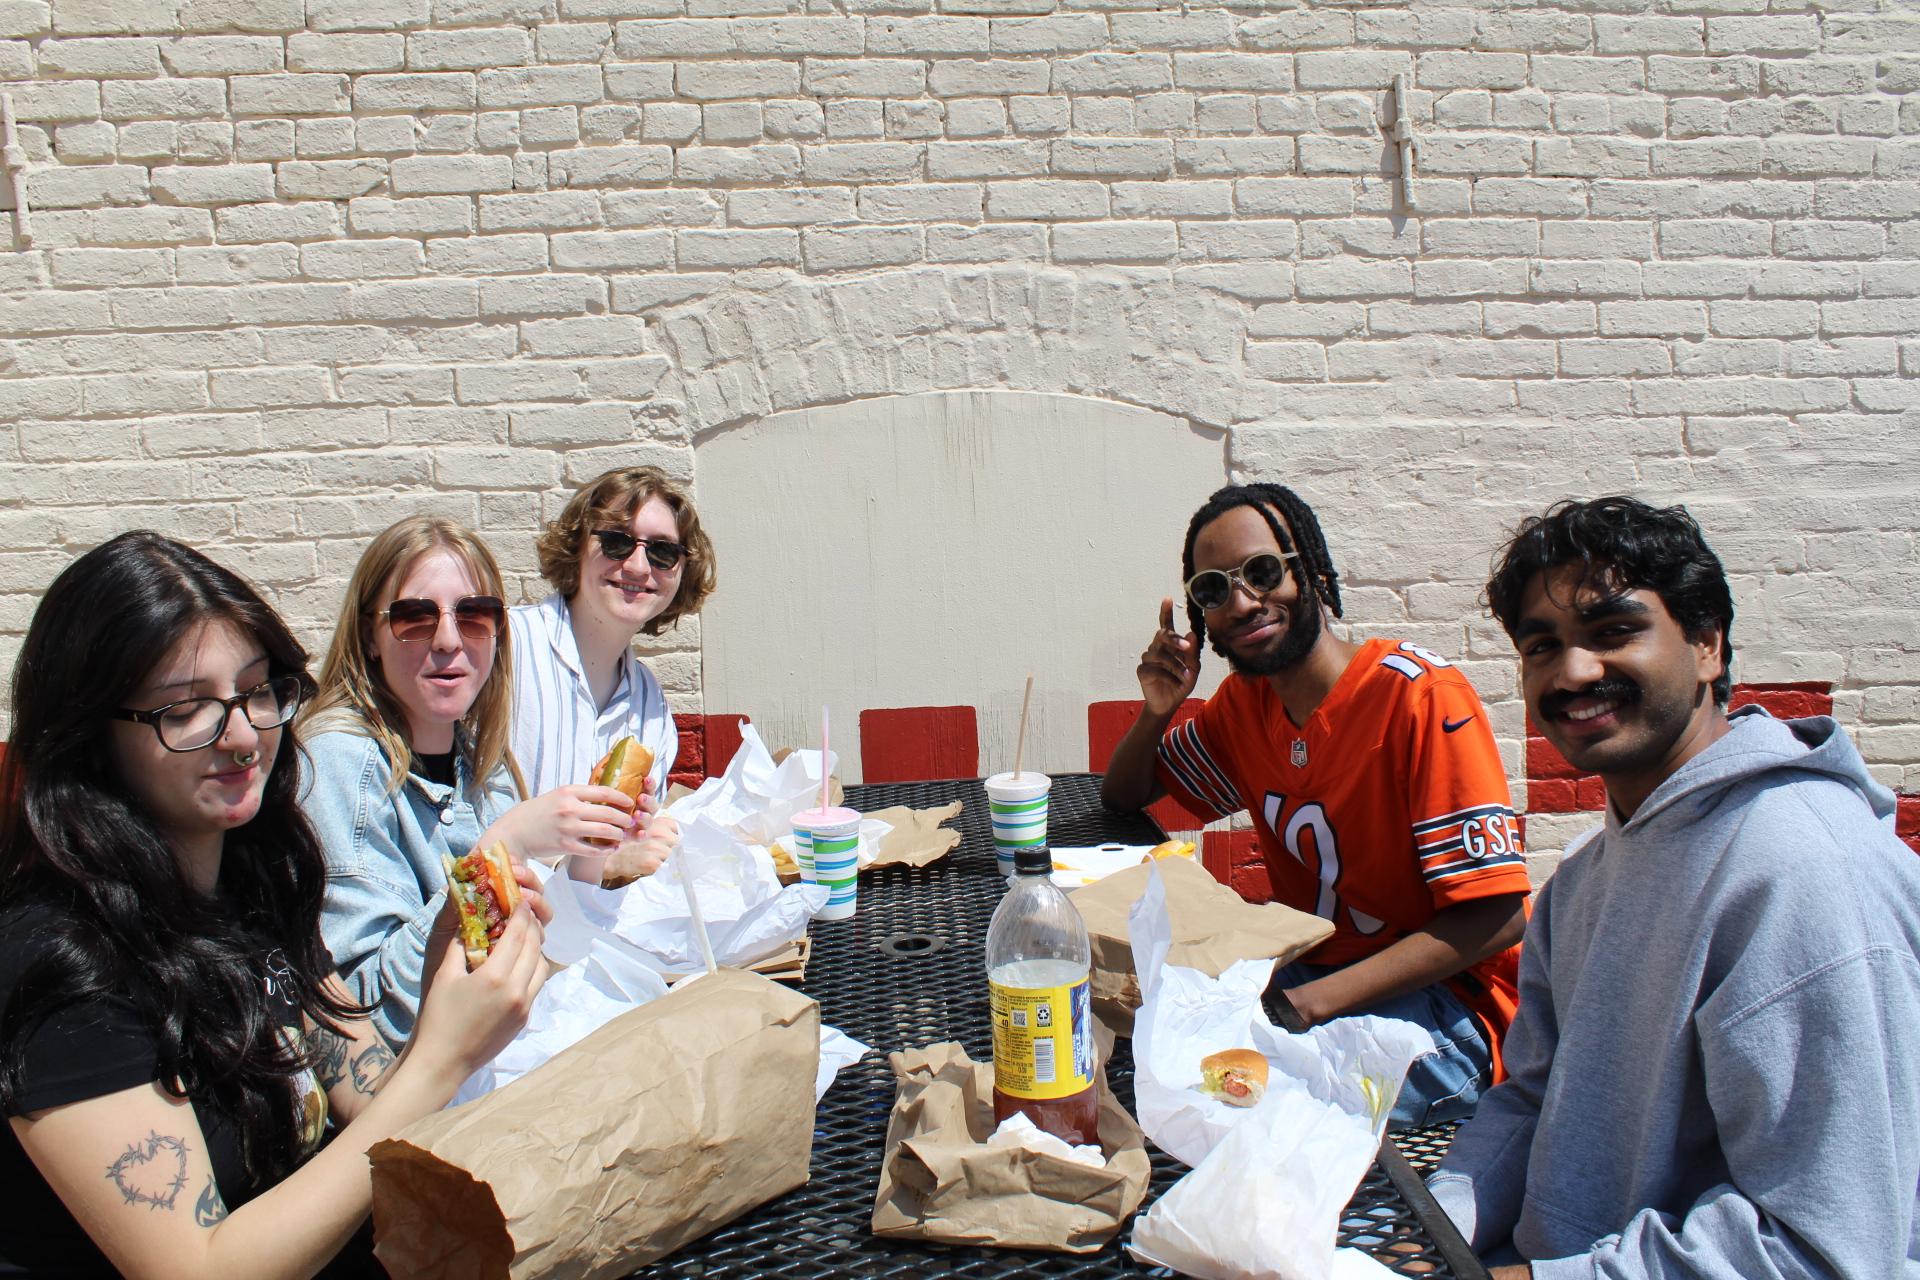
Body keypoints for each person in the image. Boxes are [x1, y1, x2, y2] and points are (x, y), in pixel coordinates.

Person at [0, 532, 546, 1278]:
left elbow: (365, 1087)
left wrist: (445, 960)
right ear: (91, 734)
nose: (243, 736)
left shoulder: (257, 889)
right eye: (186, 708)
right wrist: (444, 1060)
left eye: (258, 692)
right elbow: (198, 1268)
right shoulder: (62, 966)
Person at [1429, 496, 1920, 1279]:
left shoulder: (1801, 874)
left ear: (1706, 644)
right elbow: (1532, 1103)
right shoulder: (1581, 883)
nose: (1573, 671)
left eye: (1614, 631)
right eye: (1542, 646)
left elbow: (1822, 1250)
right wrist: (1428, 1234)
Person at [1101, 482, 1531, 1129]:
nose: (1243, 602)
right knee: (1148, 1058)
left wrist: (1308, 1004)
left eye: (1263, 572)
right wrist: (1157, 711)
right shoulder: (1244, 709)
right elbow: (1123, 795)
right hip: (1316, 984)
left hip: (1454, 1009)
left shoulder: (1421, 700)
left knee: (1236, 1107)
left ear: (1312, 572)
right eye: (1214, 590)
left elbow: (1498, 919)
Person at [301, 517, 638, 1049]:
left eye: (475, 616)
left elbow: (535, 957)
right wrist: (497, 854)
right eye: (414, 618)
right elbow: (371, 1015)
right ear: (369, 635)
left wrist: (591, 846)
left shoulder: (480, 759)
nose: (448, 640)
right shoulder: (338, 763)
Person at [509, 466, 714, 882]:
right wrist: (612, 864)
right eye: (617, 542)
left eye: (662, 552)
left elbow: (619, 847)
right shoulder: (504, 648)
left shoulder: (651, 707)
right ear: (577, 547)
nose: (638, 567)